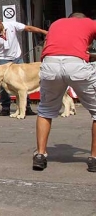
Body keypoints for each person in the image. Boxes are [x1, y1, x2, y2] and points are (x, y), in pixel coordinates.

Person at [32, 12, 96, 172]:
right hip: (76, 65)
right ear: (83, 18)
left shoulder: (56, 23)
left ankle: (40, 155)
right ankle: (94, 159)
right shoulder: (89, 23)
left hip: (50, 63)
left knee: (45, 110)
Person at [0, 15, 48, 116]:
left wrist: (44, 32)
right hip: (4, 60)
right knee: (4, 85)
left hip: (17, 57)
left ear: (1, 22)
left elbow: (28, 28)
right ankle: (5, 107)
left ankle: (27, 107)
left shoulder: (11, 25)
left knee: (23, 83)